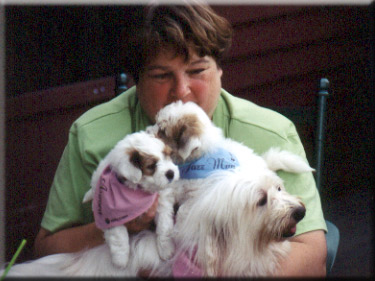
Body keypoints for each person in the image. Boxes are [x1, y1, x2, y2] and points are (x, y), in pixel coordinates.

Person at [34, 2, 327, 277]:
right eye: (162, 76)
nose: (182, 90)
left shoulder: (269, 132)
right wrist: (122, 223)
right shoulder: (92, 135)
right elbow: (46, 248)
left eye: (197, 70)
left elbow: (312, 259)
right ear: (136, 81)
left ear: (220, 70)